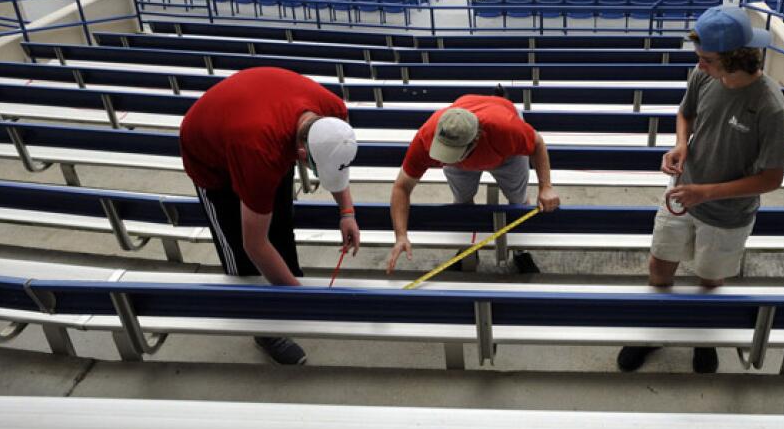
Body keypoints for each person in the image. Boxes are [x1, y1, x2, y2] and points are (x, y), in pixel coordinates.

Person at [617, 6, 784, 374]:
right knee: (659, 267)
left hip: (728, 214)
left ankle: (702, 338)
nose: (698, 65)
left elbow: (772, 179)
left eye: (706, 59)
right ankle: (652, 332)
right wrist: (681, 144)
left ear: (735, 59)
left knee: (710, 279)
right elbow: (686, 113)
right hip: (682, 194)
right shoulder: (704, 75)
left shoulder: (769, 106)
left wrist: (706, 193)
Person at [179, 67, 360, 365]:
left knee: (280, 225)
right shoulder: (261, 151)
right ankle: (264, 327)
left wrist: (346, 211)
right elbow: (255, 244)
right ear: (302, 153)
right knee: (241, 250)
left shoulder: (334, 113)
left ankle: (286, 288)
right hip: (210, 155)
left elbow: (336, 161)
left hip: (256, 124)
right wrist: (304, 301)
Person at [386, 93, 560, 275]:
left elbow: (538, 143)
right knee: (462, 201)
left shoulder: (507, 129)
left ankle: (520, 250)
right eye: (443, 152)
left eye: (452, 154)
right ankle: (468, 251)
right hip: (475, 142)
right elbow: (401, 187)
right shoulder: (427, 136)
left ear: (476, 140)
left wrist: (546, 187)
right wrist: (401, 236)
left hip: (506, 154)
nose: (445, 159)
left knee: (518, 200)